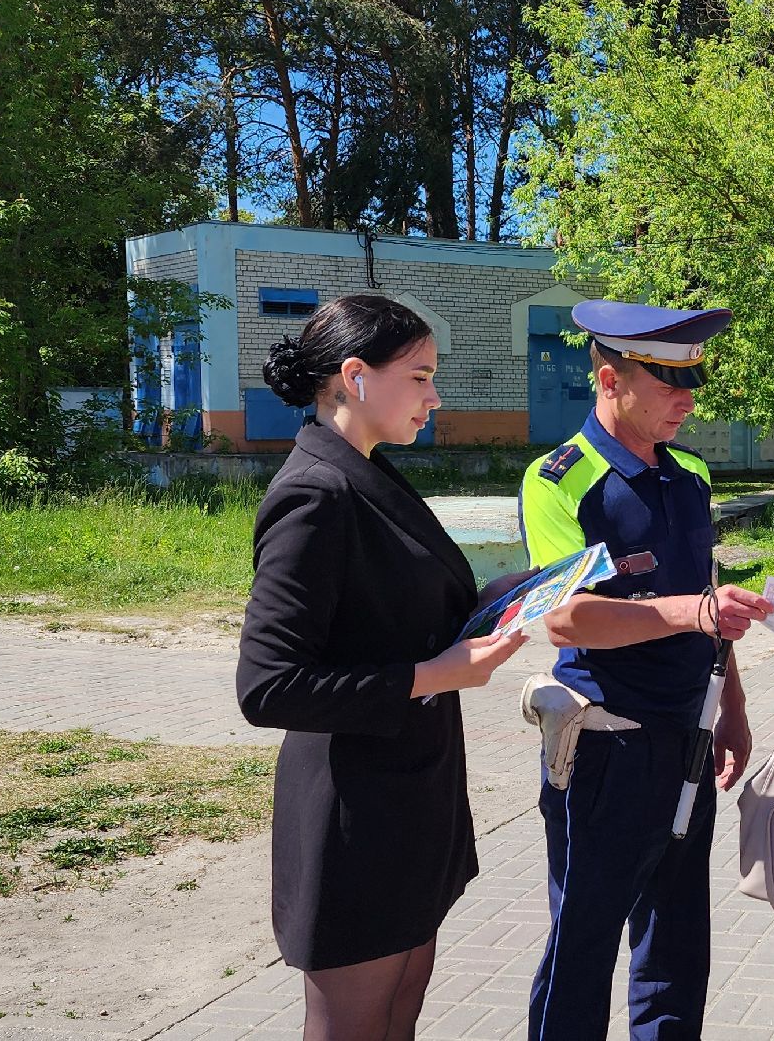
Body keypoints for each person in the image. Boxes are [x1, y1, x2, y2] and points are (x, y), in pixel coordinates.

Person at [236, 294, 529, 1040]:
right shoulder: (314, 493)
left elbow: (400, 614)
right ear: (356, 376)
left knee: (400, 1014)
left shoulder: (369, 471)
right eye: (422, 376)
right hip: (353, 815)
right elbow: (268, 687)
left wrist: (510, 597)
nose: (435, 397)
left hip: (410, 798)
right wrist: (435, 675)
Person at [519, 299, 772, 1041]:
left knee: (675, 939)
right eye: (666, 384)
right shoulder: (559, 478)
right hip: (608, 748)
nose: (686, 401)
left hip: (689, 737)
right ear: (609, 380)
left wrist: (733, 710)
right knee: (584, 940)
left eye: (691, 384)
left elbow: (713, 607)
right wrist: (689, 610)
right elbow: (563, 618)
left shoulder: (689, 473)